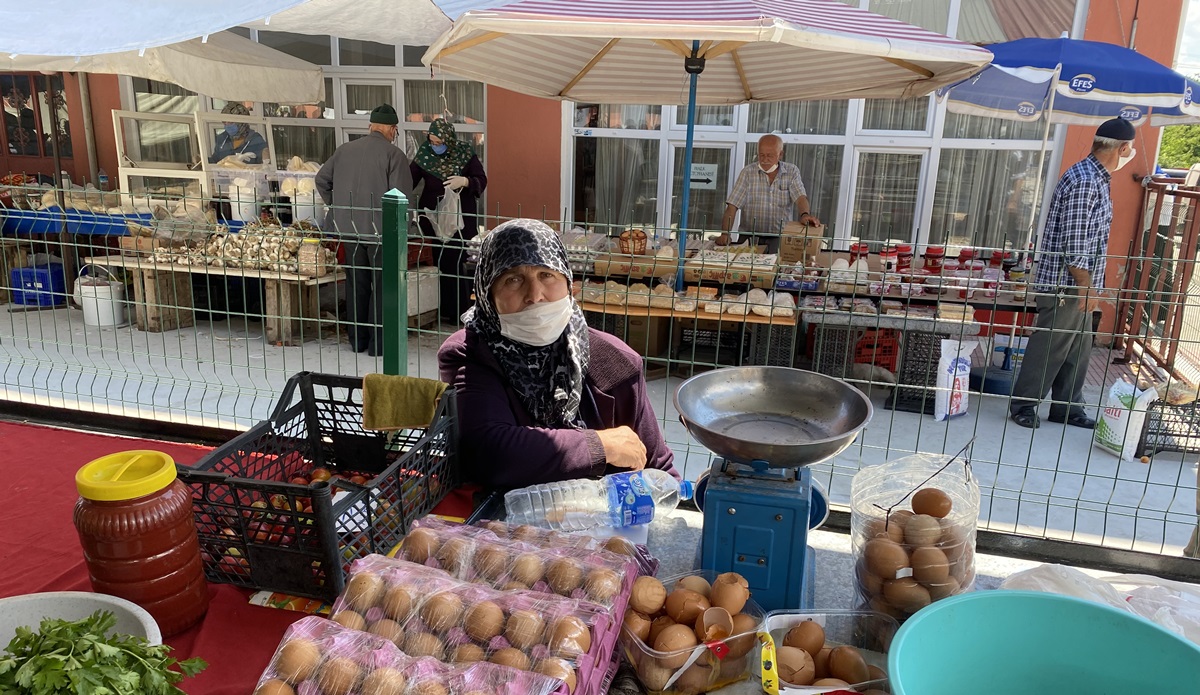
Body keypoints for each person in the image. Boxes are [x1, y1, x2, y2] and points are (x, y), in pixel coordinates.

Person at [438, 219, 679, 488]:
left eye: (546, 275)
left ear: (568, 283)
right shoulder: (471, 352)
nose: (535, 295)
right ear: (487, 293)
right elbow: (488, 452)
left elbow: (659, 471)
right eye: (513, 279)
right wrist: (600, 446)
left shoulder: (616, 362)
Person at [1009, 117, 1137, 430]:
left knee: (1078, 350)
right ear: (1122, 148)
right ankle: (1025, 405)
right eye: (1129, 149)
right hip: (1065, 284)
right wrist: (1085, 286)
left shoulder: (1096, 177)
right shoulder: (1085, 179)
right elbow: (1075, 240)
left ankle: (1067, 408)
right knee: (1051, 347)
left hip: (1079, 283)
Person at [315, 104, 414, 355]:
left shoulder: (344, 150)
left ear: (371, 126)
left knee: (356, 285)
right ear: (392, 129)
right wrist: (406, 230)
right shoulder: (394, 155)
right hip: (382, 232)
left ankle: (357, 341)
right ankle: (379, 344)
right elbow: (401, 198)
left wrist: (337, 206)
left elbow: (321, 179)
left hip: (349, 230)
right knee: (382, 286)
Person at [411, 117, 488, 321]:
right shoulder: (425, 154)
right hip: (433, 220)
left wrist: (466, 181)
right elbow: (409, 180)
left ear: (449, 140)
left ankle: (463, 311)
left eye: (439, 142)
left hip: (461, 220)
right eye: (432, 142)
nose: (435, 146)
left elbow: (481, 179)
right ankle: (442, 310)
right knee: (439, 262)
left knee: (459, 262)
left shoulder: (464, 153)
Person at [716, 133, 822, 253]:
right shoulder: (748, 173)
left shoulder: (791, 171)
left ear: (780, 154)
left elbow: (800, 197)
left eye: (769, 156)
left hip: (780, 237)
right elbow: (732, 206)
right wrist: (725, 233)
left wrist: (804, 215)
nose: (765, 160)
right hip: (750, 236)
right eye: (761, 155)